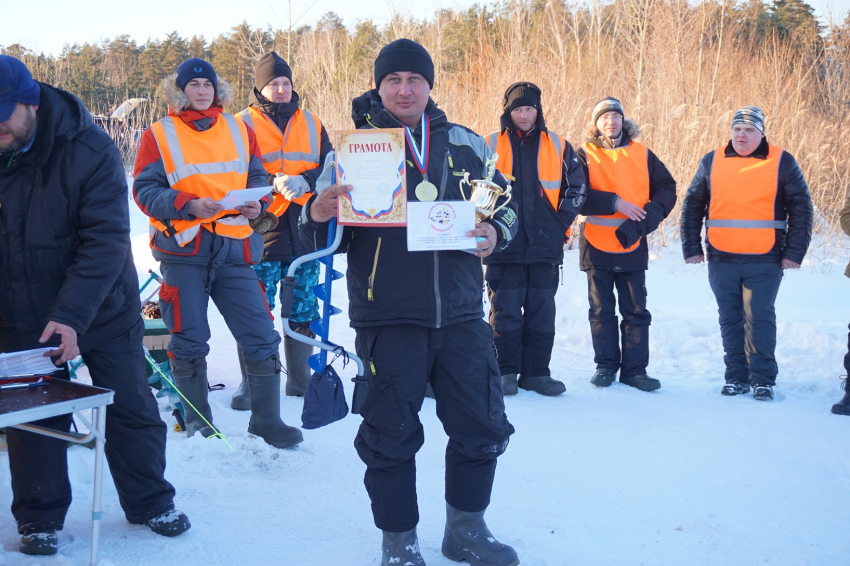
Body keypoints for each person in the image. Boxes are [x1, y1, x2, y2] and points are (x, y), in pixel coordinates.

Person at [300, 39, 520, 566]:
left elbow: (507, 206)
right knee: (388, 433)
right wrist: (318, 212)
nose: (404, 89)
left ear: (429, 85)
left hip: (463, 312)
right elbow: (319, 241)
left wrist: (495, 232)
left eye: (414, 79)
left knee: (481, 424)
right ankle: (398, 542)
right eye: (393, 80)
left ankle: (466, 529)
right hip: (388, 315)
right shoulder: (352, 151)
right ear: (379, 86)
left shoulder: (468, 145)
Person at [0, 55, 190, 556]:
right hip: (19, 311)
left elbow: (105, 242)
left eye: (1, 114)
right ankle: (39, 518)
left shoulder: (89, 149)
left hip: (100, 307)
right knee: (34, 418)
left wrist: (70, 315)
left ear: (30, 105)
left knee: (131, 405)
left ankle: (150, 501)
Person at [133, 58, 303, 447]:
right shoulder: (158, 135)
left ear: (217, 90)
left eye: (208, 84)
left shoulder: (239, 128)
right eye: (194, 85)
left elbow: (257, 176)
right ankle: (200, 427)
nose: (202, 90)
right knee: (187, 341)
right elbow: (144, 191)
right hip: (184, 251)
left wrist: (258, 204)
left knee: (261, 335)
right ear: (181, 92)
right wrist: (187, 204)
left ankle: (268, 423)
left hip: (234, 248)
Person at [681, 105, 813, 401]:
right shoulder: (711, 160)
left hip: (764, 258)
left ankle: (763, 379)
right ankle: (736, 377)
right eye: (737, 129)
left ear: (761, 133)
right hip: (721, 255)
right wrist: (691, 246)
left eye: (749, 130)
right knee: (729, 318)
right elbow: (692, 204)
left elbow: (801, 207)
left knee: (759, 318)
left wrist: (794, 252)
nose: (742, 135)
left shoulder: (782, 161)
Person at [229, 52, 333, 405]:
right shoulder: (239, 124)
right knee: (256, 312)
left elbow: (331, 166)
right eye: (274, 84)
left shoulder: (312, 121)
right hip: (260, 230)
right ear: (260, 88)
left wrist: (305, 181)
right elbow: (231, 172)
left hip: (305, 229)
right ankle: (254, 385)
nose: (281, 89)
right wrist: (272, 183)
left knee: (303, 308)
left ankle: (300, 384)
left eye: (286, 83)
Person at [484, 82, 587, 396]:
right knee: (505, 313)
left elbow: (579, 188)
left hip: (545, 245)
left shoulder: (558, 144)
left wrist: (560, 223)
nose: (524, 114)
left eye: (529, 108)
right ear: (508, 111)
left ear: (537, 110)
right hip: (504, 244)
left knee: (542, 313)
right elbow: (474, 189)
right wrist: (486, 227)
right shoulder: (487, 143)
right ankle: (504, 374)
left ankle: (536, 374)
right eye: (518, 109)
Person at [576, 97, 677, 392]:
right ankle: (605, 366)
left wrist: (644, 222)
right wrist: (615, 202)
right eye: (604, 117)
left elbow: (667, 189)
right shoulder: (584, 154)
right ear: (596, 124)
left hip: (632, 243)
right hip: (595, 243)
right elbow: (577, 196)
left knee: (636, 310)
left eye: (615, 116)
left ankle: (635, 371)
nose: (611, 121)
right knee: (601, 310)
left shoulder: (643, 153)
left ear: (623, 120)